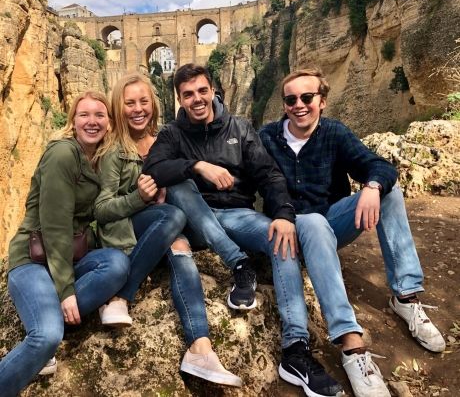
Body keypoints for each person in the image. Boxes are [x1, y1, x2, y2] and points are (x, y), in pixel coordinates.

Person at [143, 63, 345, 397]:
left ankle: (295, 348)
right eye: (188, 94)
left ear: (213, 91)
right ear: (178, 98)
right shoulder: (171, 134)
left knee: (283, 241)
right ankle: (238, 262)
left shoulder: (239, 127)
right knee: (180, 186)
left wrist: (282, 213)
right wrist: (197, 166)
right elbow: (154, 167)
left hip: (236, 214)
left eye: (202, 91)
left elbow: (268, 174)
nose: (196, 99)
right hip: (193, 221)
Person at [259, 67, 446, 397]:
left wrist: (372, 186)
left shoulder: (333, 133)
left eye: (307, 97)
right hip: (292, 230)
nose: (299, 105)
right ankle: (351, 344)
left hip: (331, 223)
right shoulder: (268, 138)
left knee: (390, 192)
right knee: (312, 222)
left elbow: (380, 166)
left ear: (323, 101)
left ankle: (406, 295)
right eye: (291, 99)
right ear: (284, 104)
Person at [94, 72, 242, 387]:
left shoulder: (167, 138)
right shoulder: (113, 150)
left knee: (182, 249)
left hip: (168, 229)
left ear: (154, 104)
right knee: (173, 216)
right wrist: (140, 198)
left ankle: (200, 348)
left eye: (143, 101)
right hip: (133, 230)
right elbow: (102, 210)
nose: (137, 109)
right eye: (129, 102)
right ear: (119, 107)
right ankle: (121, 294)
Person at [0, 92, 130, 397]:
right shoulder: (62, 154)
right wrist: (67, 291)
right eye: (84, 114)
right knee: (46, 336)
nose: (92, 121)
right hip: (33, 260)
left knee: (116, 264)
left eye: (100, 115)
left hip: (69, 257)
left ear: (109, 124)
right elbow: (55, 226)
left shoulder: (99, 160)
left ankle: (42, 335)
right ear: (73, 120)